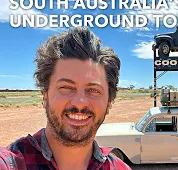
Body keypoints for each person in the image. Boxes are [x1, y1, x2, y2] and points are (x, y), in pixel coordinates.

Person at [0, 27, 132, 170]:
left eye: (93, 90)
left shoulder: (119, 168)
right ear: (45, 96)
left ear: (109, 103)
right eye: (66, 88)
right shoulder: (12, 163)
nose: (79, 102)